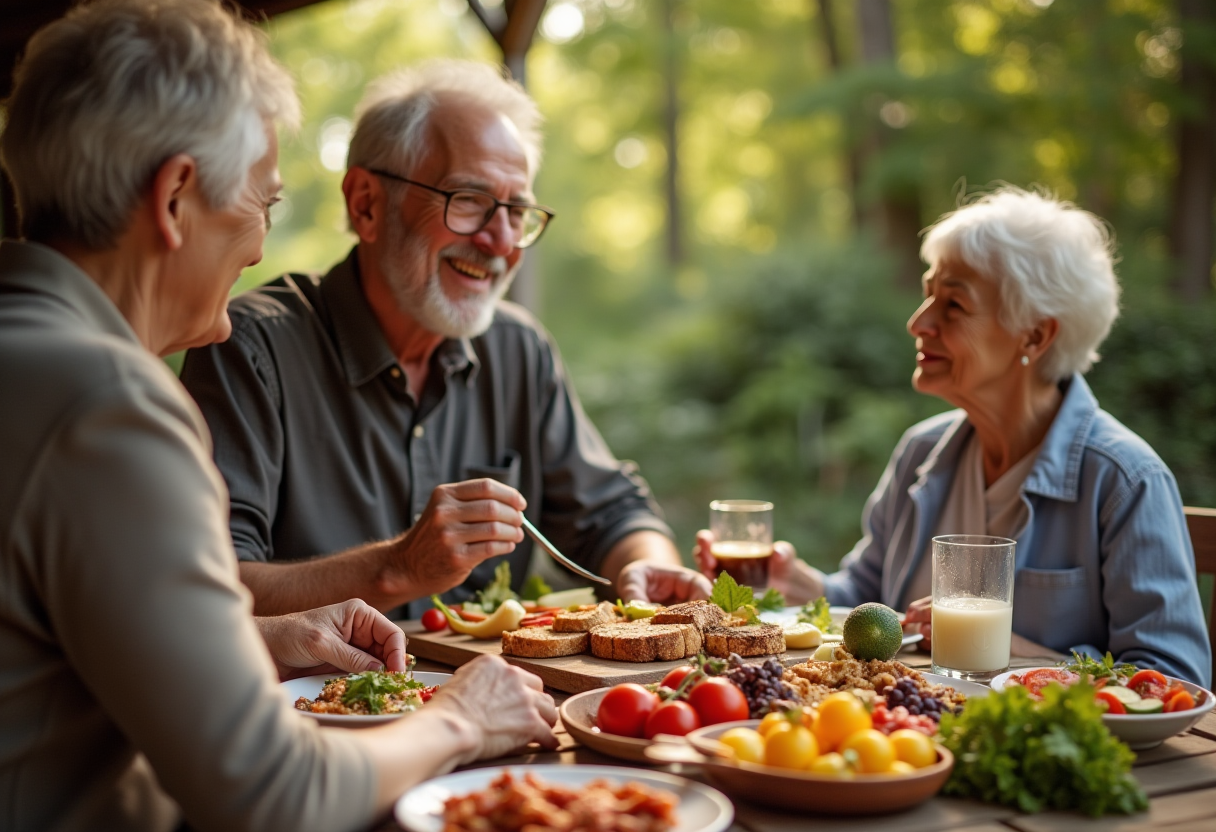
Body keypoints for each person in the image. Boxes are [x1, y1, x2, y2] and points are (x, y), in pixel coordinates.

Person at [0, 3, 556, 831]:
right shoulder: (108, 407)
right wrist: (463, 717)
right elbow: (271, 793)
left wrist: (263, 634)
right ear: (176, 197)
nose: (261, 247)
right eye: (262, 202)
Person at [179, 59, 711, 618]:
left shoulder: (518, 350)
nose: (502, 241)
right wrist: (400, 567)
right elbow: (211, 591)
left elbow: (611, 516)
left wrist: (642, 564)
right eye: (470, 201)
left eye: (517, 210)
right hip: (309, 704)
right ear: (366, 204)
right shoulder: (251, 347)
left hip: (493, 701)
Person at [696, 187, 1212, 686]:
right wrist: (800, 583)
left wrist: (1020, 652)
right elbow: (868, 597)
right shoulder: (921, 450)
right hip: (901, 736)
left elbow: (1174, 677)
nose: (918, 323)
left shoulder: (1124, 480)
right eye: (927, 297)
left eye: (954, 306)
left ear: (1034, 333)